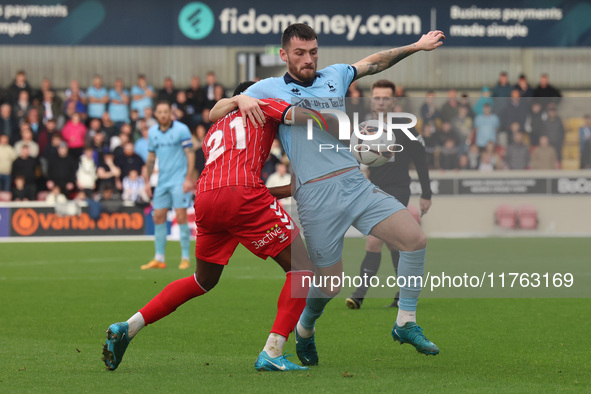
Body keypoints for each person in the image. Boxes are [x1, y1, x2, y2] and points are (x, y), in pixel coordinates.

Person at [216, 24, 444, 364]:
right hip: (314, 197)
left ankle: (405, 321)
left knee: (415, 240)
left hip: (355, 183)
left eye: (313, 52)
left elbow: (375, 62)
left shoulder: (335, 75)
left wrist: (417, 45)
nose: (308, 59)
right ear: (284, 55)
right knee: (329, 285)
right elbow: (215, 112)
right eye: (300, 53)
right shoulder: (267, 88)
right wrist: (239, 97)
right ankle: (305, 330)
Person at [102, 82, 317, 372]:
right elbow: (303, 117)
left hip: (206, 197)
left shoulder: (216, 129)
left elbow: (232, 171)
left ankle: (128, 326)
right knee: (302, 269)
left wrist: (286, 189)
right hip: (241, 195)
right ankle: (273, 350)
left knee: (202, 280)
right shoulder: (264, 105)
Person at [345, 79, 432, 310]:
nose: (381, 102)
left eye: (385, 98)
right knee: (394, 244)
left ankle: (359, 295)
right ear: (371, 100)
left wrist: (426, 193)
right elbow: (357, 159)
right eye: (377, 97)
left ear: (393, 101)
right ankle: (403, 293)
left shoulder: (405, 127)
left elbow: (421, 160)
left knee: (374, 241)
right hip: (373, 190)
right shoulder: (365, 127)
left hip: (398, 190)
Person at [140, 101, 195, 270]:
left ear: (170, 113)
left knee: (180, 217)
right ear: (155, 114)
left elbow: (190, 154)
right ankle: (159, 258)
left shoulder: (181, 129)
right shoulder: (153, 132)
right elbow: (151, 158)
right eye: (160, 112)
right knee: (158, 217)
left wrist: (188, 178)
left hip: (179, 180)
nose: (163, 115)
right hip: (162, 182)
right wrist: (148, 181)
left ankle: (185, 257)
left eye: (166, 111)